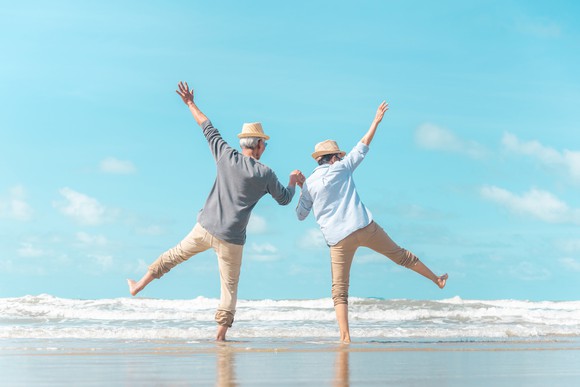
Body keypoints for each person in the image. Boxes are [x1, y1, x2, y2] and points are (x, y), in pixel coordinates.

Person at [128, 81, 305, 341]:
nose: (265, 148)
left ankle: (138, 285)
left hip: (205, 227)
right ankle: (220, 336)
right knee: (229, 289)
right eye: (264, 144)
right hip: (232, 238)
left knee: (173, 256)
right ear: (257, 145)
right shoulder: (265, 173)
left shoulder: (225, 155)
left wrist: (189, 102)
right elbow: (285, 199)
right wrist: (293, 181)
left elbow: (206, 127)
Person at [295, 101, 448, 343]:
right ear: (333, 158)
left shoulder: (310, 184)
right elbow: (363, 145)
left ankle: (345, 337)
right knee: (401, 256)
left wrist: (299, 185)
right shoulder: (341, 168)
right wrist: (376, 120)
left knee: (339, 291)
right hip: (363, 226)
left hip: (338, 239)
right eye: (339, 155)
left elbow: (301, 214)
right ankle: (436, 279)